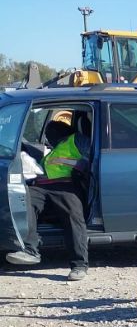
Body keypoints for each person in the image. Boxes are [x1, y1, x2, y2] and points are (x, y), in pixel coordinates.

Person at [5, 114, 91, 281]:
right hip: (42, 186)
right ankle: (30, 250)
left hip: (65, 185)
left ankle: (79, 265)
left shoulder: (76, 140)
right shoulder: (53, 150)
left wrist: (72, 164)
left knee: (73, 216)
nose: (48, 137)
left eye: (50, 133)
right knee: (24, 201)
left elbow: (92, 160)